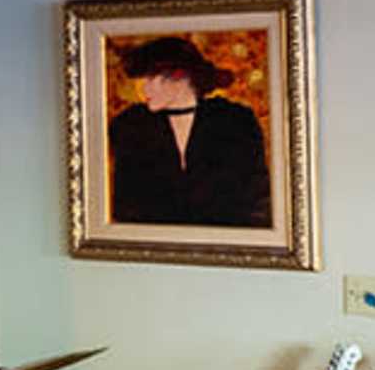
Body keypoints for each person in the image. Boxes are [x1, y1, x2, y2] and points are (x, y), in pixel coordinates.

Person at [106, 34, 272, 229]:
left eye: (151, 78)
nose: (144, 88)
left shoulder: (235, 122)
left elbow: (256, 198)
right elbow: (124, 207)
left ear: (179, 76)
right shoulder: (131, 126)